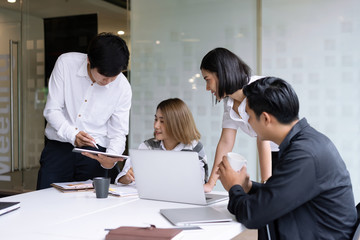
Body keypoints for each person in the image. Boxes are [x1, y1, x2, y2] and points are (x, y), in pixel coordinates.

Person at [218, 77, 357, 239]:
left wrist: (234, 187)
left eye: (248, 115)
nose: (248, 122)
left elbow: (252, 215)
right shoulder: (305, 143)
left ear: (265, 118)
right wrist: (248, 187)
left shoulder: (305, 155)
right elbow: (282, 194)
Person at [36, 32, 131, 190]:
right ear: (89, 60)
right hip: (59, 148)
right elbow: (52, 110)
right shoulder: (66, 64)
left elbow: (118, 131)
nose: (108, 82)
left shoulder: (122, 86)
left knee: (93, 207)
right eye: (103, 76)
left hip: (96, 154)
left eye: (113, 77)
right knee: (45, 201)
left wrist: (110, 157)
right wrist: (73, 134)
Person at [200, 47, 277, 192]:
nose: (207, 87)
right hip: (271, 156)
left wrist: (266, 181)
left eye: (207, 80)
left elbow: (263, 137)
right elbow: (226, 142)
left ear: (221, 74)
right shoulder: (230, 103)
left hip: (287, 153)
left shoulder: (259, 88)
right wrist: (211, 184)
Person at [115, 98, 208, 185]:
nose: (156, 125)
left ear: (177, 124)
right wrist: (127, 178)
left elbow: (199, 185)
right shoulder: (147, 147)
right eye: (156, 119)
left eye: (162, 121)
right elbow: (120, 179)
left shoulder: (194, 149)